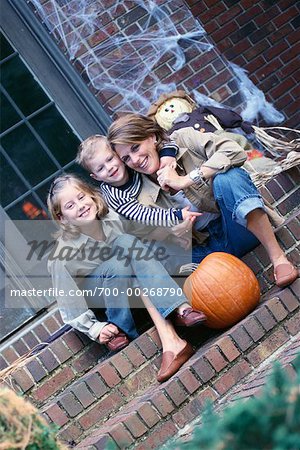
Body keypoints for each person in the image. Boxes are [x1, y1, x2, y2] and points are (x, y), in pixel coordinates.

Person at [107, 113, 298, 289]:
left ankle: (278, 258)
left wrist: (186, 179)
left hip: (237, 226)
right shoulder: (137, 192)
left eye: (135, 147)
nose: (135, 159)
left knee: (229, 177)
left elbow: (234, 151)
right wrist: (173, 233)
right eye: (126, 158)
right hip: (206, 256)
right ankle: (184, 309)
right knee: (151, 249)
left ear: (151, 137)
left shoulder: (182, 139)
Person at [47, 174, 206, 382]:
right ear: (62, 218)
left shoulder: (112, 219)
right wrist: (96, 328)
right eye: (70, 205)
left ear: (93, 197)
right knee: (118, 262)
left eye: (81, 197)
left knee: (124, 244)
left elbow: (142, 240)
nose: (80, 205)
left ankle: (176, 324)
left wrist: (175, 228)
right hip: (105, 303)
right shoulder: (61, 255)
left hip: (132, 289)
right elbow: (70, 306)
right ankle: (123, 329)